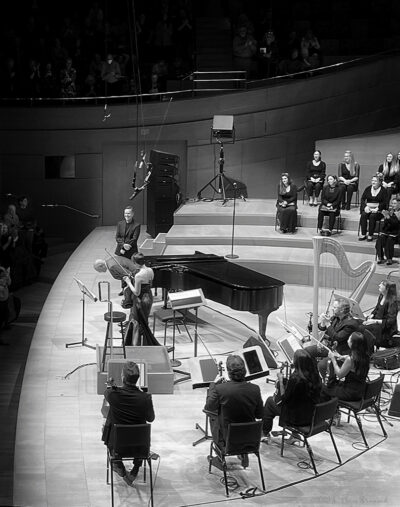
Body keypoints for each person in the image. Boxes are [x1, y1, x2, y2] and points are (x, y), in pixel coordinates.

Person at [204, 355, 263, 468]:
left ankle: (220, 457)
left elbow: (208, 408)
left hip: (228, 440)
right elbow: (259, 414)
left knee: (212, 417)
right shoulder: (255, 389)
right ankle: (243, 452)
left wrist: (213, 385)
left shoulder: (220, 389)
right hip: (251, 439)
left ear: (229, 373)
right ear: (244, 371)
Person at [102, 361, 155, 484]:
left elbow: (107, 393)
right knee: (139, 429)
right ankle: (136, 468)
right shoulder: (145, 398)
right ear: (138, 378)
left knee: (108, 420)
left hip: (118, 446)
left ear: (122, 377)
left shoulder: (113, 395)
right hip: (139, 446)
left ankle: (118, 465)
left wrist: (112, 387)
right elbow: (150, 418)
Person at [262, 349, 322, 441]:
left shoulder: (296, 379)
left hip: (297, 419)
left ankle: (264, 433)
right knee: (298, 403)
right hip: (312, 414)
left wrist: (281, 381)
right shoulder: (315, 375)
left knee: (270, 402)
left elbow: (284, 399)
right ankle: (294, 436)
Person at [306, 299, 360, 378]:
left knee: (321, 365)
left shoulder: (351, 324)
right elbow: (323, 328)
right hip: (329, 347)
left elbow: (337, 337)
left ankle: (324, 383)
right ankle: (312, 375)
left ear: (342, 310)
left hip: (340, 352)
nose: (332, 309)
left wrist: (327, 323)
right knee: (307, 351)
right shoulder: (336, 317)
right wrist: (323, 322)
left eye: (334, 307)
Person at [324, 332, 370, 401]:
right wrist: (341, 357)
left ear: (353, 344)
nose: (348, 340)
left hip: (350, 393)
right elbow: (353, 363)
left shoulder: (350, 360)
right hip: (360, 390)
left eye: (349, 339)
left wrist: (333, 359)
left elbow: (339, 375)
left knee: (325, 389)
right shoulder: (365, 356)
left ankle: (332, 408)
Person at [123, 253, 154, 345]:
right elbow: (150, 283)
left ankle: (135, 345)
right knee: (144, 321)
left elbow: (136, 292)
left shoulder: (138, 275)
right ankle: (145, 343)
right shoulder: (150, 270)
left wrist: (128, 282)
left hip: (140, 300)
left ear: (135, 262)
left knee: (136, 322)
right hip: (149, 297)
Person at [362, 280, 398, 348]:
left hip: (385, 328)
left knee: (362, 328)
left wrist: (374, 321)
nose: (379, 285)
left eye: (381, 284)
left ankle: (367, 350)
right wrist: (372, 315)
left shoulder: (393, 302)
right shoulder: (381, 295)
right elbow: (377, 308)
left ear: (387, 289)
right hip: (376, 321)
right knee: (360, 323)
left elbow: (390, 321)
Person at [359, 174, 387, 241]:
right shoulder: (368, 188)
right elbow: (362, 199)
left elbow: (385, 202)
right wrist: (365, 207)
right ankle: (363, 233)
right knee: (363, 215)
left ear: (380, 182)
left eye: (375, 181)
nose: (373, 182)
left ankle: (370, 234)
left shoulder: (383, 190)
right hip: (368, 208)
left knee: (372, 216)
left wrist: (377, 209)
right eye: (372, 180)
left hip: (378, 210)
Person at [375, 197, 400, 265]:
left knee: (389, 239)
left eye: (395, 203)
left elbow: (396, 224)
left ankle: (389, 259)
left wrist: (388, 217)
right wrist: (386, 217)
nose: (393, 205)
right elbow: (386, 224)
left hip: (397, 233)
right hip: (388, 232)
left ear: (399, 204)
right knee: (380, 238)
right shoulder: (390, 211)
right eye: (392, 203)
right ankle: (380, 257)